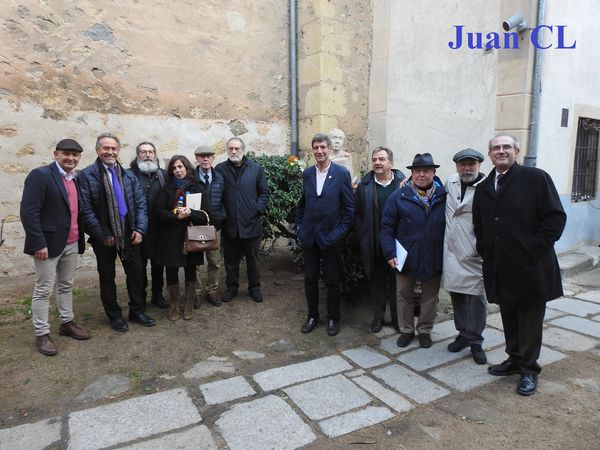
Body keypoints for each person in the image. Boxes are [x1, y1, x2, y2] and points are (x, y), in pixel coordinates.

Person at [473, 133, 566, 396]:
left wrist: (533, 249)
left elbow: (555, 218)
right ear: (490, 154)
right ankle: (514, 359)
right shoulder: (484, 187)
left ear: (516, 150)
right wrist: (485, 249)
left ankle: (528, 369)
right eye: (496, 148)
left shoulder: (536, 179)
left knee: (529, 319)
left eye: (506, 147)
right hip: (500, 267)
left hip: (531, 266)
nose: (501, 151)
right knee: (509, 316)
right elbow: (479, 225)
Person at [20, 138, 90, 355]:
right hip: (47, 245)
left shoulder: (75, 178)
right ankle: (41, 334)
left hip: (71, 241)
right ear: (55, 154)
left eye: (75, 155)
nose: (70, 158)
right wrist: (38, 242)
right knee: (43, 289)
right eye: (65, 154)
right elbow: (28, 212)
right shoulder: (40, 175)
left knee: (66, 285)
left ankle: (66, 323)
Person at [79, 133, 155, 331]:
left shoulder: (128, 175)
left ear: (118, 151)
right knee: (107, 277)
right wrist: (102, 234)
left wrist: (140, 229)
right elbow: (85, 210)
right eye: (106, 148)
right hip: (104, 237)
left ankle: (137, 311)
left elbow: (141, 205)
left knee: (137, 274)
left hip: (130, 234)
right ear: (98, 150)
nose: (110, 152)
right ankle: (114, 315)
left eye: (113, 149)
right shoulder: (87, 175)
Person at [380, 153, 446, 349]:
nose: (422, 175)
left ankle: (425, 330)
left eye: (426, 171)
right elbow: (386, 227)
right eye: (417, 171)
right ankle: (407, 330)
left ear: (434, 173)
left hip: (434, 254)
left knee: (430, 296)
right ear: (411, 174)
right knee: (403, 294)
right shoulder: (399, 196)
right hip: (405, 256)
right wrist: (390, 253)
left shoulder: (443, 196)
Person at [296, 133, 354, 336]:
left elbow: (348, 211)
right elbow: (302, 204)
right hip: (309, 238)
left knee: (332, 280)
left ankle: (333, 318)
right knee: (310, 279)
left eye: (323, 147)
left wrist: (337, 234)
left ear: (329, 149)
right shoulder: (308, 174)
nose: (319, 151)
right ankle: (312, 316)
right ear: (312, 150)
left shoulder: (341, 174)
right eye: (316, 148)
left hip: (331, 238)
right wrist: (300, 228)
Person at [443, 148, 488, 364]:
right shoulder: (450, 182)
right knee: (457, 295)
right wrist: (406, 182)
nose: (467, 168)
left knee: (477, 299)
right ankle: (463, 333)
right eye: (463, 164)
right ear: (456, 166)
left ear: (479, 165)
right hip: (452, 250)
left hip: (474, 250)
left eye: (471, 164)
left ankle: (476, 340)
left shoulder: (487, 187)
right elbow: (427, 186)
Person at [355, 146, 405, 333]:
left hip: (397, 244)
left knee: (397, 284)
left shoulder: (403, 183)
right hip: (374, 244)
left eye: (381, 159)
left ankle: (397, 319)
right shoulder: (365, 186)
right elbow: (357, 213)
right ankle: (378, 317)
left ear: (390, 163)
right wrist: (363, 235)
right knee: (376, 282)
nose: (377, 162)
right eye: (374, 159)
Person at [153, 155, 209, 320]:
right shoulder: (167, 189)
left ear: (187, 168)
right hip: (171, 236)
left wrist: (191, 213)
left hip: (191, 235)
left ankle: (189, 304)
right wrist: (176, 217)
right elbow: (159, 212)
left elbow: (206, 214)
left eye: (180, 167)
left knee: (191, 268)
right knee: (171, 269)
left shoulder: (198, 187)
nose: (177, 171)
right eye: (174, 168)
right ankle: (175, 304)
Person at [215, 137, 270, 303]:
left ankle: (254, 288)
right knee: (230, 260)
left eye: (237, 149)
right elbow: (216, 195)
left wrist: (257, 209)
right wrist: (222, 215)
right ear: (227, 150)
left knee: (253, 259)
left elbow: (264, 192)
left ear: (243, 150)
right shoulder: (220, 169)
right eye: (230, 149)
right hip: (230, 223)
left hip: (251, 223)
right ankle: (232, 287)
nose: (234, 152)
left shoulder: (255, 168)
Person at [128, 141, 168, 309]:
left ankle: (157, 295)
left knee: (158, 264)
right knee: (139, 266)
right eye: (143, 152)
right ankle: (140, 297)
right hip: (137, 229)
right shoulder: (129, 175)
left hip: (159, 228)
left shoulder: (164, 175)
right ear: (138, 155)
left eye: (151, 151)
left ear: (155, 154)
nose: (147, 155)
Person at [193, 146, 226, 308]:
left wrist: (221, 217)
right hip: (197, 227)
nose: (205, 159)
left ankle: (212, 291)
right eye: (202, 156)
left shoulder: (219, 177)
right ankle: (196, 293)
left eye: (209, 156)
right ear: (196, 159)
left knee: (214, 262)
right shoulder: (191, 178)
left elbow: (224, 200)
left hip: (215, 227)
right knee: (197, 263)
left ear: (213, 158)